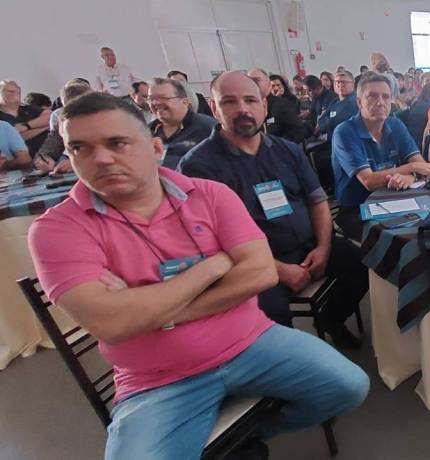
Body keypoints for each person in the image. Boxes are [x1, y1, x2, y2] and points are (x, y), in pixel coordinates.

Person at [29, 92, 368, 458]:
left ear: (155, 147)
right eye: (79, 148)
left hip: (251, 342)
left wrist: (152, 312)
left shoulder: (209, 194)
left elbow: (259, 273)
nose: (100, 158)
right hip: (157, 378)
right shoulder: (57, 229)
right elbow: (112, 323)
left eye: (117, 143)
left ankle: (245, 436)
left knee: (348, 386)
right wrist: (215, 265)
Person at [178, 71, 366, 347]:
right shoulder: (198, 166)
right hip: (252, 264)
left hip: (308, 245)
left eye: (251, 100)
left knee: (363, 264)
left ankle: (331, 319)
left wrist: (323, 248)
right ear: (214, 107)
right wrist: (279, 270)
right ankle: (289, 360)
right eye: (230, 101)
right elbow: (211, 242)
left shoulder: (287, 150)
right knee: (270, 312)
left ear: (264, 106)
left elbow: (317, 201)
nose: (243, 109)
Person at [331, 72, 430, 239]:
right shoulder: (345, 132)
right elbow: (369, 181)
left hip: (396, 199)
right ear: (359, 102)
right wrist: (411, 168)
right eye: (372, 96)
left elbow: (423, 167)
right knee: (405, 240)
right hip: (357, 208)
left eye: (386, 97)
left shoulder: (395, 124)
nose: (380, 102)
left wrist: (411, 176)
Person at [148, 78, 216, 170]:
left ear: (184, 102)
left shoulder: (208, 127)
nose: (155, 103)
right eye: (151, 99)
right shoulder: (146, 132)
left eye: (163, 98)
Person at [35, 81, 92, 173]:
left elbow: (113, 153)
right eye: (69, 108)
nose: (74, 113)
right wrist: (43, 160)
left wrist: (78, 163)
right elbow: (49, 148)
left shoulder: (109, 119)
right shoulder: (64, 122)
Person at [247, 68, 307, 144]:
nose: (253, 84)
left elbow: (299, 132)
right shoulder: (249, 109)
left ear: (268, 84)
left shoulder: (282, 105)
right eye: (250, 81)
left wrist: (276, 145)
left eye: (257, 80)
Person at [0, 80, 50, 155]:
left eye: (17, 92)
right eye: (9, 91)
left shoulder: (27, 109)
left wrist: (26, 126)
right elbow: (11, 140)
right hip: (18, 159)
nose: (13, 94)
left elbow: (49, 116)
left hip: (48, 154)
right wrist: (43, 127)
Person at [318, 70, 359, 137]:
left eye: (344, 82)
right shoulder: (335, 101)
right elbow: (321, 120)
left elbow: (329, 124)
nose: (340, 85)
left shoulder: (355, 102)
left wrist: (327, 120)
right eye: (337, 82)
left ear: (353, 84)